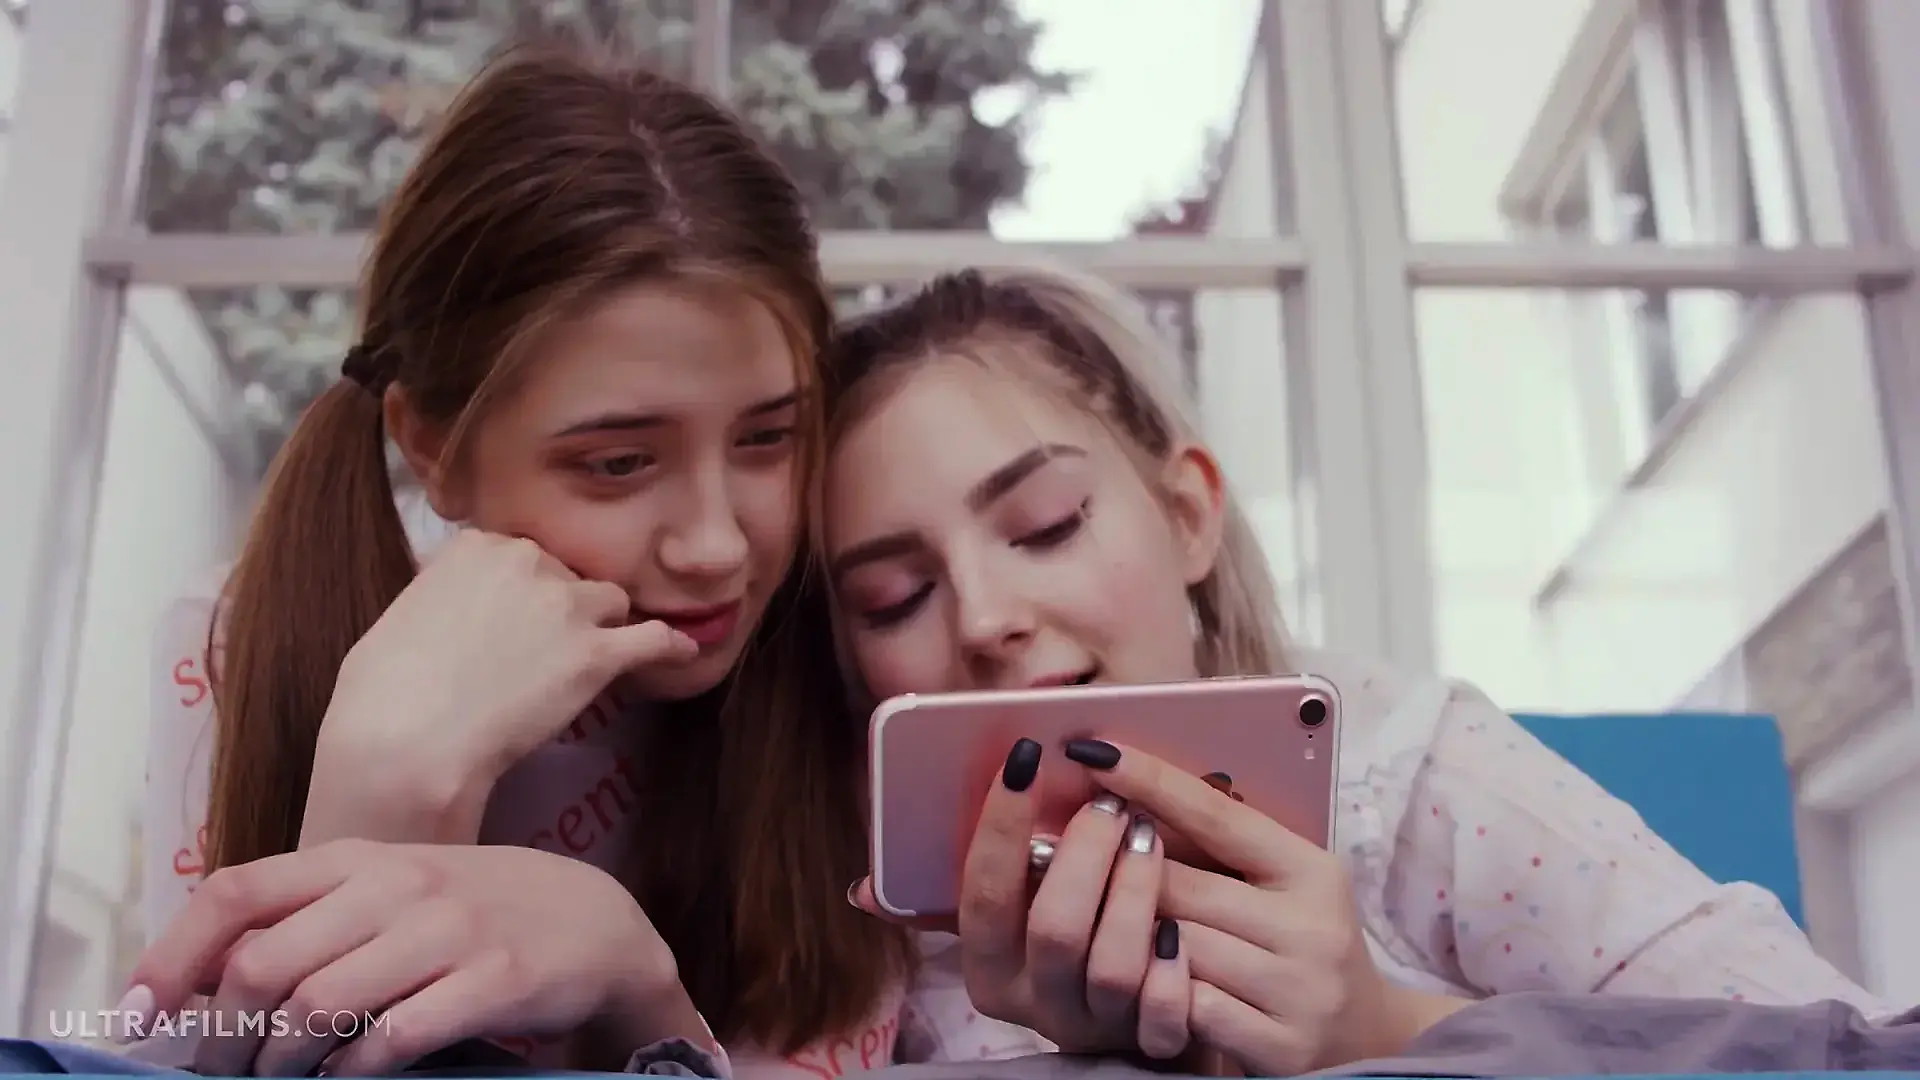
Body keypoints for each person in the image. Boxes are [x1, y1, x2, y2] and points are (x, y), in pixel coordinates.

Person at [816, 265, 1890, 1076]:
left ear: (1186, 516)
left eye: (1046, 526)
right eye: (893, 598)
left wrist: (1381, 1030)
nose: (986, 619)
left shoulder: (1401, 775)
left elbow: (1854, 1052)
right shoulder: (865, 924)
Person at [127, 41, 939, 1078]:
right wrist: (383, 792)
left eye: (768, 437)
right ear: (434, 449)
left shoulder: (851, 653)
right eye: (618, 464)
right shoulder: (239, 647)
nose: (716, 546)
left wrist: (634, 983)